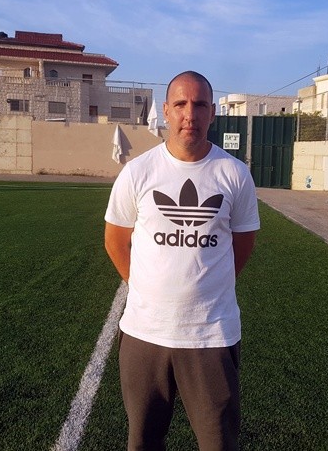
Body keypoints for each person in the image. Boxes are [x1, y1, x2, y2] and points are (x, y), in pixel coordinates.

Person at [104, 70, 260, 450]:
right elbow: (115, 241)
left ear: (212, 113)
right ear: (166, 111)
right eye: (181, 104)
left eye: (200, 105)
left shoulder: (234, 174)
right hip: (145, 333)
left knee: (219, 443)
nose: (190, 114)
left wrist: (207, 288)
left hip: (211, 335)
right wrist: (144, 287)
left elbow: (243, 244)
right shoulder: (138, 172)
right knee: (143, 441)